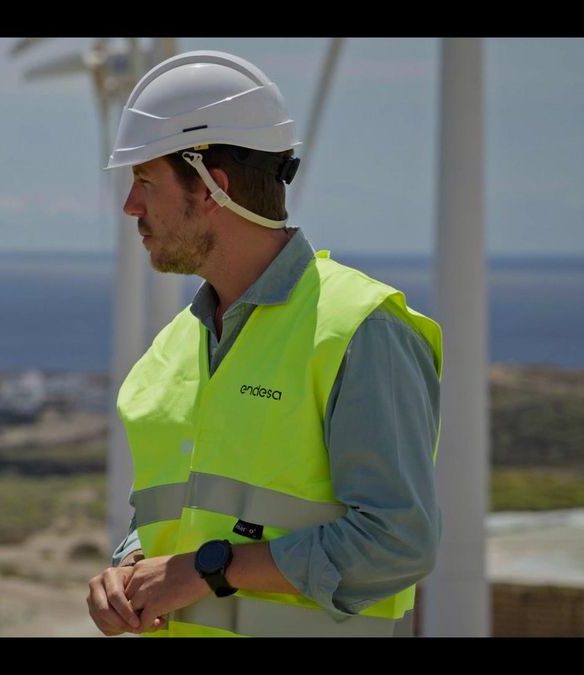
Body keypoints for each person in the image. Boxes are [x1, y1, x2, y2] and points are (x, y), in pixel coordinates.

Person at [86, 51, 442, 637]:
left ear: (210, 188)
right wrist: (128, 568)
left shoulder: (359, 329)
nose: (130, 206)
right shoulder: (173, 347)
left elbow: (397, 542)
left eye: (145, 181)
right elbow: (172, 516)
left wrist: (212, 570)